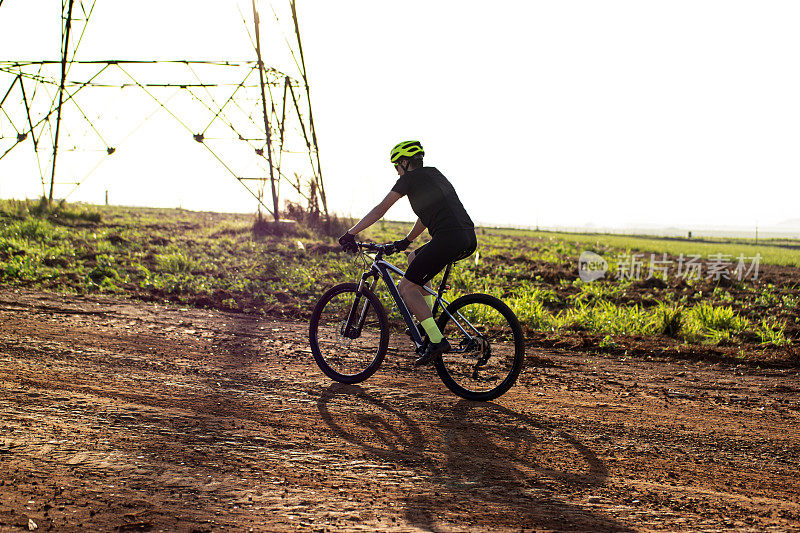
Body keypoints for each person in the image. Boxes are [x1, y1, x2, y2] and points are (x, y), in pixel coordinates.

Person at [338, 140, 477, 366]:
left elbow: (380, 209)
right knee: (413, 258)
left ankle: (436, 339)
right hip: (467, 237)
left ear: (404, 162)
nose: (397, 171)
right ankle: (426, 321)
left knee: (406, 287)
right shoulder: (434, 175)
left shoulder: (408, 180)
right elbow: (426, 216)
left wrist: (351, 233)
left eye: (396, 166)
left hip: (448, 238)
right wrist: (406, 241)